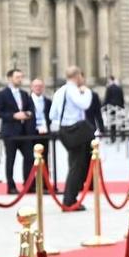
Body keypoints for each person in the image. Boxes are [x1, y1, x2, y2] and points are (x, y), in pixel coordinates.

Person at [51, 68, 96, 211]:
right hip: (75, 130)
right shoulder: (73, 90)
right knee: (77, 166)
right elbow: (84, 104)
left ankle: (72, 197)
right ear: (77, 76)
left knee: (75, 163)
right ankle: (69, 199)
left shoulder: (59, 91)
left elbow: (52, 114)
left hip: (64, 130)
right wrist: (87, 91)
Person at [0, 68, 35, 193]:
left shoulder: (24, 94)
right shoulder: (2, 94)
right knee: (10, 159)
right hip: (10, 132)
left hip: (24, 132)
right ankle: (11, 186)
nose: (20, 79)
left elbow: (30, 108)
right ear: (10, 78)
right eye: (17, 77)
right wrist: (13, 116)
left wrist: (28, 114)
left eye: (21, 77)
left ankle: (28, 184)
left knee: (29, 158)